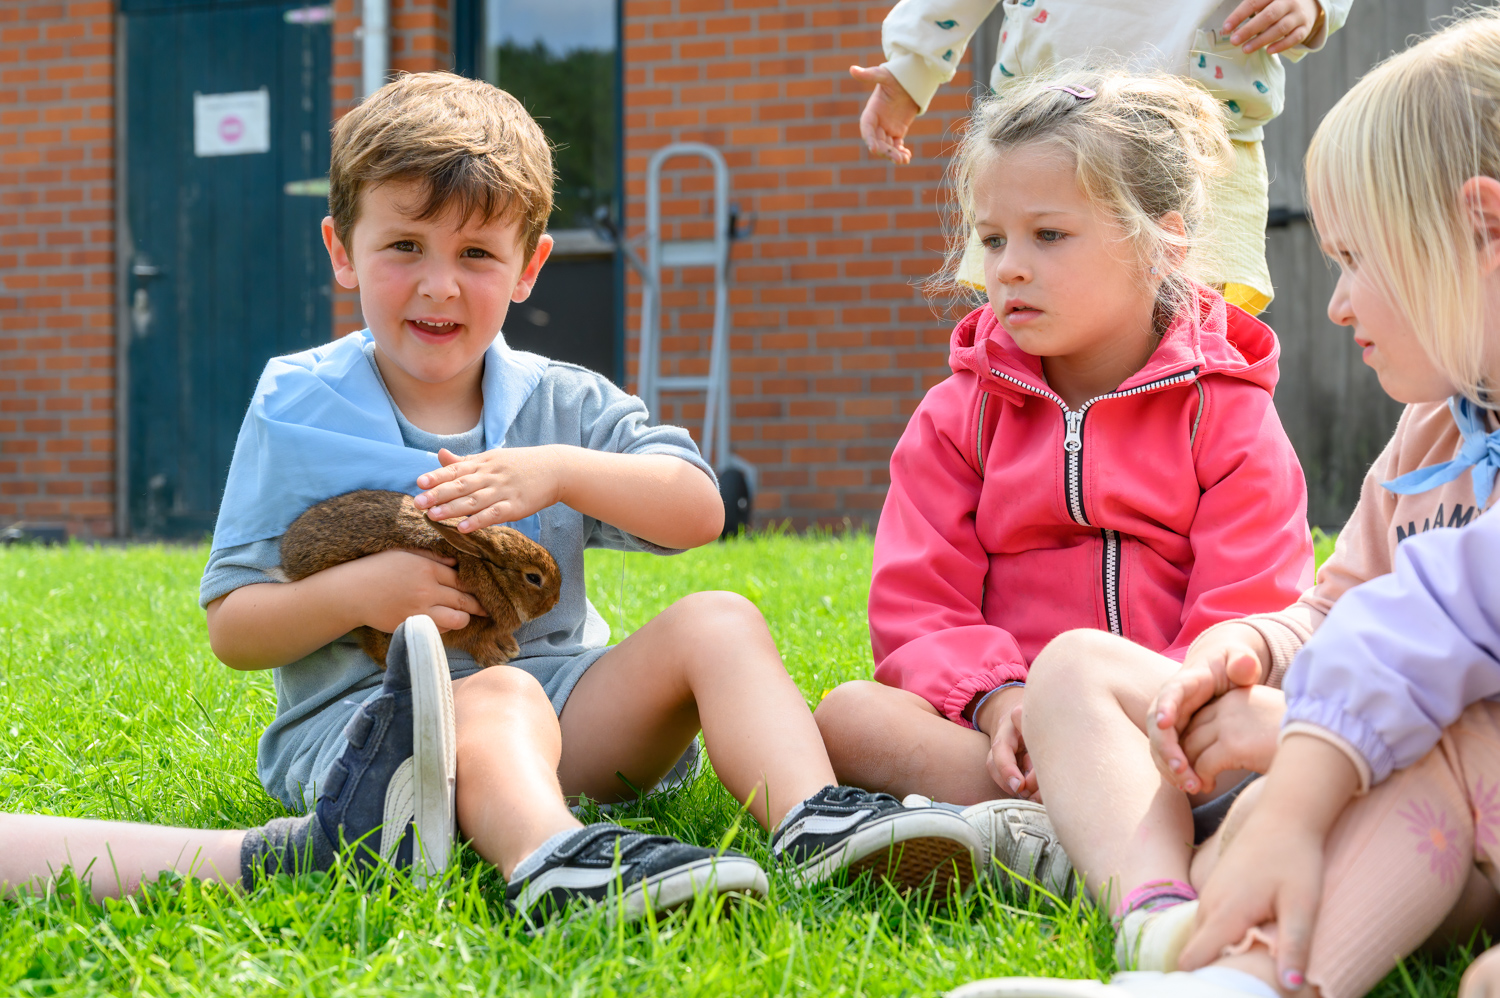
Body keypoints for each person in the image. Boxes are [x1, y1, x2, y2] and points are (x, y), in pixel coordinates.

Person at [199, 72, 982, 925]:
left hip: (571, 713)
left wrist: (559, 471)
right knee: (501, 698)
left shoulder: (560, 403)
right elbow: (236, 627)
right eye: (404, 248)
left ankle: (817, 819)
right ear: (342, 249)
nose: (439, 286)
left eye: (476, 255)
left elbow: (696, 510)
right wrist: (362, 594)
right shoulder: (298, 403)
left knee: (717, 618)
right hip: (375, 748)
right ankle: (552, 856)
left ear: (529, 266)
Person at [952, 9, 1500, 996]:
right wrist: (1254, 648)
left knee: (1437, 746)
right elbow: (1339, 603)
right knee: (1074, 663)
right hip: (1378, 780)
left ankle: (1233, 975)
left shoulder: (1233, 409)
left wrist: (1301, 740)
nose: (1336, 302)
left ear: (1483, 229)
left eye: (1356, 259)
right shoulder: (1434, 434)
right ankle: (1167, 920)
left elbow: (1436, 621)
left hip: (1434, 778)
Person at [813, 68, 1312, 897]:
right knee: (848, 717)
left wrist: (1161, 713)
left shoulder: (1224, 415)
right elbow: (919, 603)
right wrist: (999, 701)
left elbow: (1249, 604)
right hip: (1007, 739)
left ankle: (1050, 841)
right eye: (994, 238)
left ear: (1164, 241)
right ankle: (1087, 834)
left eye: (1049, 236)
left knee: (1277, 742)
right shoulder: (957, 415)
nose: (1008, 268)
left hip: (1168, 724)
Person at [856, 0, 1352, 316]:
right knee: (1021, 336)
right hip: (1041, 133)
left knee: (1199, 333)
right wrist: (909, 69)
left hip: (1201, 137)